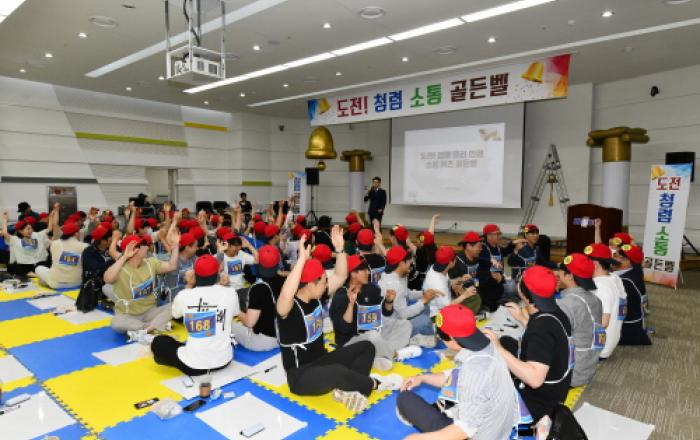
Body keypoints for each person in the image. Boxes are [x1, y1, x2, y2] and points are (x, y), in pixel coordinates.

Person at [276, 226, 402, 412]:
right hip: (300, 376)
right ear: (310, 284)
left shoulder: (316, 296)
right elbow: (286, 294)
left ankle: (351, 390)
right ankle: (374, 384)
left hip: (322, 361)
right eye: (323, 281)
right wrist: (302, 260)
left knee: (366, 347)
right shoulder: (289, 308)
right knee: (338, 372)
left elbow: (341, 275)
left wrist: (340, 249)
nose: (327, 284)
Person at [397, 304, 519, 440]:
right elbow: (454, 376)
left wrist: (418, 438)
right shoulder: (488, 345)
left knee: (405, 399)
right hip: (496, 426)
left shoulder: (474, 370)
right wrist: (422, 378)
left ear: (452, 339)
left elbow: (465, 430)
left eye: (441, 337)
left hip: (475, 435)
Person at [482, 265, 573, 424]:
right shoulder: (556, 312)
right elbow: (546, 341)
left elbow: (535, 379)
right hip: (557, 388)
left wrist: (498, 348)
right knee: (507, 341)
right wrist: (522, 319)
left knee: (482, 397)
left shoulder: (542, 327)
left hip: (539, 403)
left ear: (525, 293)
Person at [151, 255, 238, 376]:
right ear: (218, 274)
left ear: (195, 275)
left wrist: (188, 285)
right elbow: (234, 312)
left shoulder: (185, 295)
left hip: (194, 366)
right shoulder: (231, 292)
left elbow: (176, 314)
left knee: (159, 342)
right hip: (224, 360)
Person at [330, 253, 419, 371]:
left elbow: (386, 312)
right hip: (351, 342)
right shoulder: (340, 297)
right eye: (364, 270)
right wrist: (351, 304)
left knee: (405, 324)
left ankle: (377, 355)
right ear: (353, 274)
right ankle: (395, 354)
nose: (368, 272)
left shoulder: (371, 288)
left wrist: (388, 301)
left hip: (375, 333)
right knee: (373, 336)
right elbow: (344, 329)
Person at [104, 232, 180, 340]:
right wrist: (124, 257)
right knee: (116, 323)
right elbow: (107, 279)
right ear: (134, 250)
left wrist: (176, 246)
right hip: (127, 315)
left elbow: (172, 266)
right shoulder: (120, 268)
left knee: (175, 305)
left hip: (150, 312)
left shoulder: (151, 263)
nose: (147, 247)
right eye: (143, 245)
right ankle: (151, 327)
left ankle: (145, 329)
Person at [554, 253, 604, 387]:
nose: (557, 274)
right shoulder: (595, 299)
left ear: (569, 276)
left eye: (560, 271)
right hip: (587, 368)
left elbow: (553, 338)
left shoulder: (567, 304)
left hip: (571, 375)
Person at [378, 245, 437, 346]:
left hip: (399, 315)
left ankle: (424, 334)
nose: (412, 262)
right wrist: (423, 300)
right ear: (401, 263)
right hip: (393, 327)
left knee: (426, 308)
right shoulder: (394, 284)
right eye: (409, 260)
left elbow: (406, 293)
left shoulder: (397, 274)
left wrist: (423, 293)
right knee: (425, 320)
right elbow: (403, 315)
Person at [230, 245, 283, 351]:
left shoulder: (258, 288)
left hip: (264, 342)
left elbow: (249, 322)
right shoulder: (283, 280)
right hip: (283, 336)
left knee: (229, 324)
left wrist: (235, 310)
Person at [584, 243, 627, 360]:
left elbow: (603, 323)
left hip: (599, 348)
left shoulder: (601, 287)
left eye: (586, 261)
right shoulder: (614, 277)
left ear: (595, 264)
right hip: (610, 341)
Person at [423, 246, 478, 319]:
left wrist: (460, 279)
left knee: (475, 298)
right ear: (450, 263)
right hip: (438, 315)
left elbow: (446, 282)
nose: (456, 260)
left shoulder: (437, 268)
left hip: (446, 302)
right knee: (475, 300)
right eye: (455, 259)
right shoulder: (438, 283)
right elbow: (447, 306)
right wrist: (465, 295)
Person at [2, 206, 57, 277]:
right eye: (27, 229)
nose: (30, 231)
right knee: (10, 267)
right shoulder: (16, 240)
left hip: (40, 263)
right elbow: (5, 233)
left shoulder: (37, 235)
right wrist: (4, 219)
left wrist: (51, 217)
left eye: (30, 228)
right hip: (26, 266)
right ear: (20, 231)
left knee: (48, 261)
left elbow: (49, 228)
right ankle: (33, 274)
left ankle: (36, 273)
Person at [614, 244, 651, 346]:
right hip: (636, 320)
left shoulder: (624, 281)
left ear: (627, 262)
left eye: (617, 256)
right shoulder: (636, 272)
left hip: (627, 329)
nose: (613, 258)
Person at [449, 231, 495, 313]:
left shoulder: (477, 258)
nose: (481, 249)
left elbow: (478, 278)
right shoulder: (456, 261)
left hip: (474, 288)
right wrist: (457, 285)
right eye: (479, 246)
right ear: (468, 246)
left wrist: (492, 261)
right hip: (462, 295)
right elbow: (452, 283)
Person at [36, 222, 89, 289]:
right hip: (77, 282)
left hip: (56, 283)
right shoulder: (84, 246)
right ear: (76, 233)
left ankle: (46, 281)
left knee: (38, 268)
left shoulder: (54, 243)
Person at [480, 223, 518, 297]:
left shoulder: (497, 248)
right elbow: (481, 259)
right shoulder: (482, 248)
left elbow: (505, 251)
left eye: (499, 234)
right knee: (512, 289)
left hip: (499, 280)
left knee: (515, 285)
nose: (499, 236)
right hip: (488, 282)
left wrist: (513, 244)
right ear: (488, 236)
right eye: (497, 234)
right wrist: (491, 260)